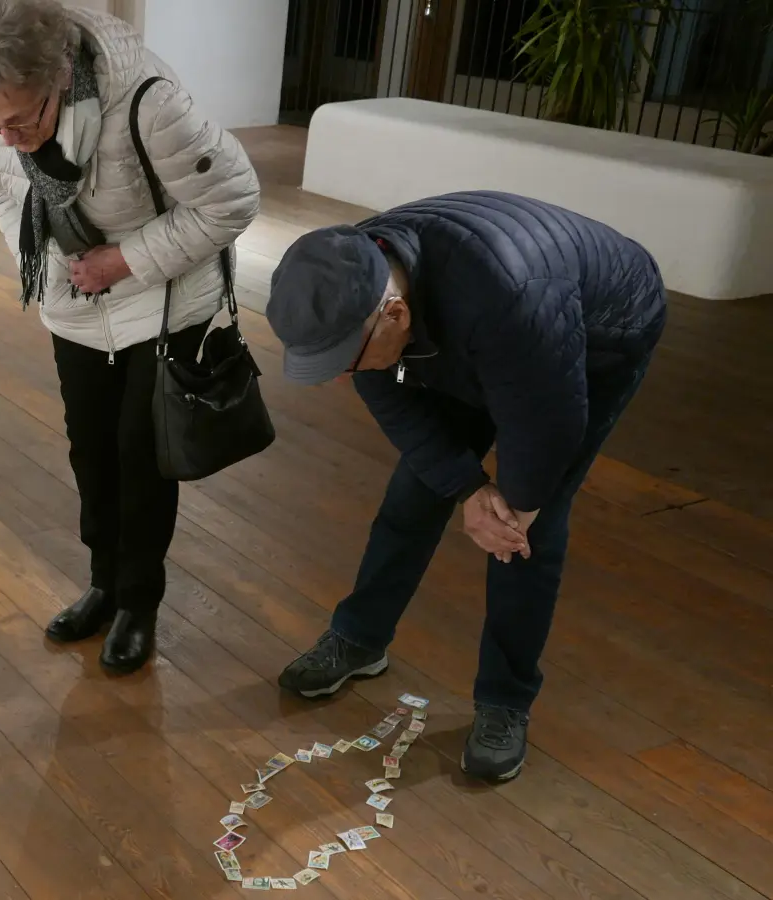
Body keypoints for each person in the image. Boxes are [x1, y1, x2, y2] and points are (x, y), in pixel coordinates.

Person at [265, 190, 667, 780]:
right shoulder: (358, 275)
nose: (341, 378)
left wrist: (512, 503)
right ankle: (359, 638)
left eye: (344, 362)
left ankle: (505, 699)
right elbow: (397, 405)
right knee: (415, 491)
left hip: (600, 330)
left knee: (524, 530)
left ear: (395, 316)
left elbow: (548, 423)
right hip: (489, 328)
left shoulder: (509, 299)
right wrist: (464, 487)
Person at [0, 0, 261, 674]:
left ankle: (138, 603)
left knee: (141, 454)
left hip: (165, 301)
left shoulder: (147, 100)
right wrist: (48, 264)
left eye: (21, 120)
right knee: (91, 448)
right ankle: (104, 585)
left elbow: (233, 196)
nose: (7, 138)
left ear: (60, 77)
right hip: (77, 302)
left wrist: (125, 261)